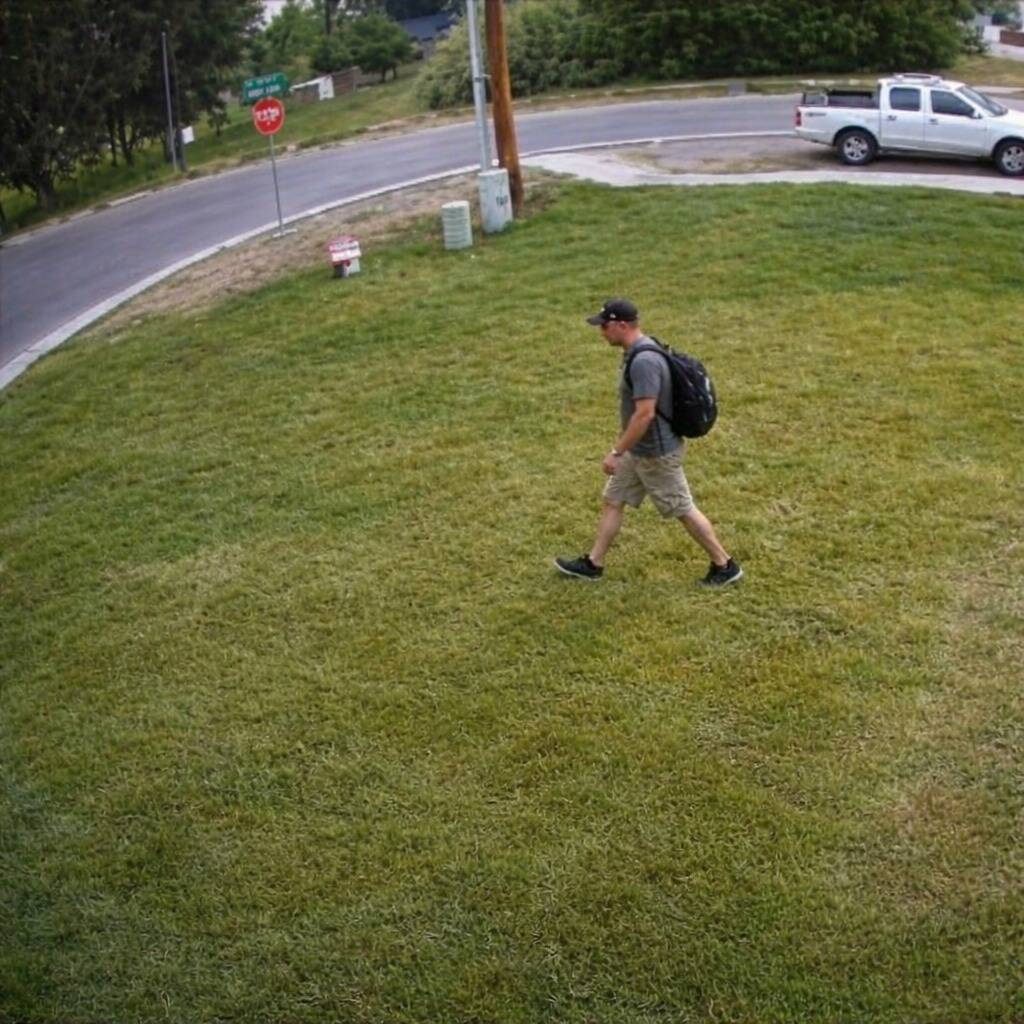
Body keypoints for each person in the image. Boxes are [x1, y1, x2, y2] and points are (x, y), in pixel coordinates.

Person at [554, 298, 743, 586]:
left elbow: (644, 415)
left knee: (682, 508)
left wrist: (617, 452)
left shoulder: (644, 361)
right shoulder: (642, 348)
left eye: (604, 326)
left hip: (655, 454)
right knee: (613, 499)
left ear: (622, 325)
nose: (601, 332)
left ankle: (725, 564)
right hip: (640, 451)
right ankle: (594, 564)